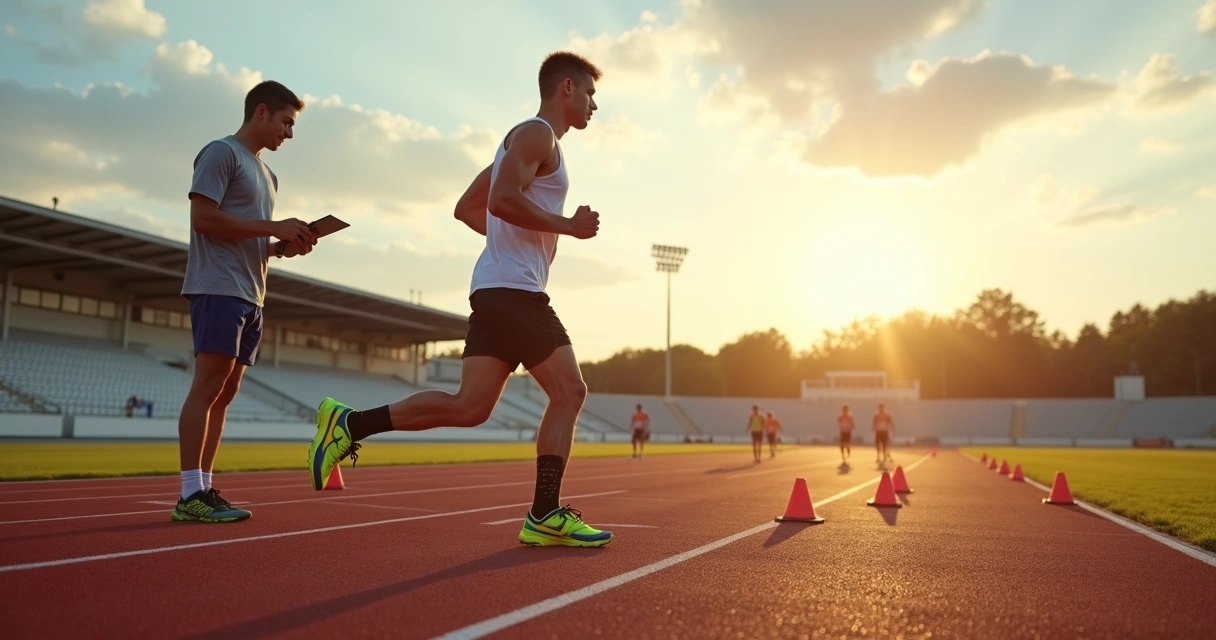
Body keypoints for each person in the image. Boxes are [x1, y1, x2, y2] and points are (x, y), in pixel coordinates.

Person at [308, 52, 610, 548]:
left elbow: (468, 208)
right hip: (514, 293)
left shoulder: (522, 140)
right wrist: (567, 228)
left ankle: (349, 422)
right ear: (567, 89)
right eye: (591, 94)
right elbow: (498, 202)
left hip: (498, 287)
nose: (595, 105)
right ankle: (544, 513)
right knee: (570, 392)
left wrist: (511, 241)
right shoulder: (538, 135)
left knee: (469, 407)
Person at [173, 80, 318, 523]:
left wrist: (281, 246)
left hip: (251, 292)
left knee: (227, 392)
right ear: (261, 112)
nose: (289, 134)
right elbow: (203, 219)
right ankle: (188, 493)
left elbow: (252, 237)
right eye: (286, 123)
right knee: (209, 384)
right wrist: (273, 227)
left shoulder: (268, 174)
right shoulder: (221, 153)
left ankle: (205, 488)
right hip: (219, 285)